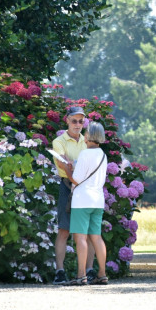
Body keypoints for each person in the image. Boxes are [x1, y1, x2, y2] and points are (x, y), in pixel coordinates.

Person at [51, 106, 95, 285]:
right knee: (64, 229)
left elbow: (79, 165)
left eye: (81, 121)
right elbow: (64, 166)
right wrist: (73, 166)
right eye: (74, 120)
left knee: (89, 231)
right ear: (67, 120)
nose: (78, 124)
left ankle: (89, 270)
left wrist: (72, 164)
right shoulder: (59, 141)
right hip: (67, 186)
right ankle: (59, 271)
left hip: (86, 187)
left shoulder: (87, 141)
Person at [62, 122, 109, 285]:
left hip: (82, 200)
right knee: (96, 237)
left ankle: (81, 274)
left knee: (80, 237)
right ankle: (102, 274)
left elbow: (76, 179)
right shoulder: (103, 154)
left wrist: (66, 168)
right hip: (97, 199)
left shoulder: (84, 154)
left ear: (88, 136)